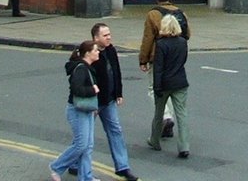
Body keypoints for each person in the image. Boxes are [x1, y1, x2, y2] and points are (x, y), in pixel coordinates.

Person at [68, 23, 138, 181]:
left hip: (109, 100)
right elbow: (84, 79)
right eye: (105, 35)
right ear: (96, 38)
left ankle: (123, 167)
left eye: (109, 34)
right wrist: (92, 103)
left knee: (115, 131)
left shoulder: (111, 50)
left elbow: (116, 71)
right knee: (83, 137)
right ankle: (73, 163)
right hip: (93, 103)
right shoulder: (91, 55)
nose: (109, 37)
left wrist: (118, 92)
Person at [138, 0, 190, 139]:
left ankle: (166, 117)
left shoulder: (152, 14)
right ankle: (169, 120)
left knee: (154, 88)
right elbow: (187, 34)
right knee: (174, 90)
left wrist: (143, 59)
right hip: (176, 58)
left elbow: (148, 38)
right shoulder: (181, 13)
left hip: (158, 56)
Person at [49, 40, 100, 181]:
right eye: (95, 50)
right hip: (77, 110)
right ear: (87, 53)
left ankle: (86, 177)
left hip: (87, 109)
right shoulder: (81, 68)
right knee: (81, 144)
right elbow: (76, 88)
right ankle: (56, 167)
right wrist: (92, 90)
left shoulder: (88, 67)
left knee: (88, 146)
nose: (98, 52)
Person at [147, 13, 190, 159]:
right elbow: (183, 60)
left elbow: (158, 68)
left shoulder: (161, 44)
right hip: (180, 82)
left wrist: (157, 87)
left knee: (159, 114)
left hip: (164, 83)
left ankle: (155, 141)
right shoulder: (183, 42)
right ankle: (184, 147)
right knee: (182, 115)